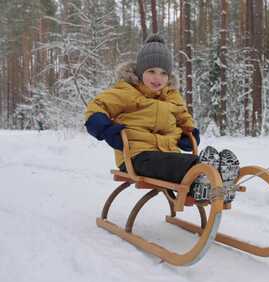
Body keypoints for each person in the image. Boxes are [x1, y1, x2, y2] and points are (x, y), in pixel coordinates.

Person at [84, 34, 239, 203]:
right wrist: (108, 130)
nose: (158, 78)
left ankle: (220, 180)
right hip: (136, 156)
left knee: (182, 161)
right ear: (140, 71)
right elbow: (95, 109)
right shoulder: (125, 91)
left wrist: (189, 133)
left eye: (163, 73)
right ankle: (202, 177)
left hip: (169, 153)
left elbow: (183, 118)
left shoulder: (172, 96)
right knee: (183, 164)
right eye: (151, 71)